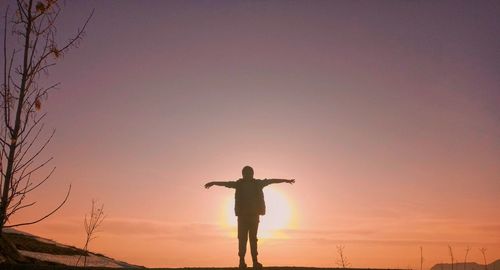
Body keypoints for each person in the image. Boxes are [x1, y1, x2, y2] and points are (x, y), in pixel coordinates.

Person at [204, 166, 295, 269]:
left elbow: (272, 181)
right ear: (243, 174)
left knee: (252, 239)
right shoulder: (239, 184)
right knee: (242, 239)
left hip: (253, 217)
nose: (247, 175)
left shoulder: (257, 183)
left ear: (252, 174)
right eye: (246, 173)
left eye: (249, 173)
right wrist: (213, 183)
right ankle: (242, 262)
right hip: (243, 217)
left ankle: (254, 262)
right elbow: (226, 183)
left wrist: (286, 181)